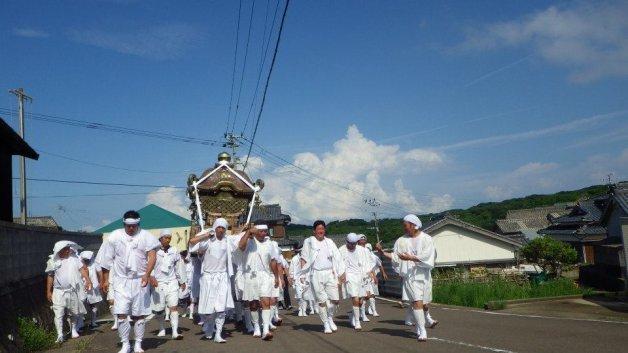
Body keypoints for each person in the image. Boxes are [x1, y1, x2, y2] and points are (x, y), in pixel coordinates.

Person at [100, 210, 160, 353]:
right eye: (128, 226)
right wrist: (106, 280)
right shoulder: (115, 236)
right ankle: (125, 343)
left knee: (139, 314)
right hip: (121, 281)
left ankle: (138, 343)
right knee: (121, 313)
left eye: (134, 226)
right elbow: (106, 261)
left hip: (140, 280)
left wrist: (147, 274)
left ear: (138, 224)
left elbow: (152, 256)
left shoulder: (146, 236)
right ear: (124, 224)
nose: (131, 228)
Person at [375, 214, 436, 342]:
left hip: (424, 275)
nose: (404, 228)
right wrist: (381, 252)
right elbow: (396, 256)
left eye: (406, 226)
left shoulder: (427, 239)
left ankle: (423, 324)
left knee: (424, 303)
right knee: (416, 302)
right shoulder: (401, 240)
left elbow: (428, 255)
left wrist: (411, 258)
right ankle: (422, 330)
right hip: (410, 276)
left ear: (414, 225)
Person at [189, 218, 235, 343]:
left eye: (223, 228)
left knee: (221, 308)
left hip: (222, 277)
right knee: (208, 309)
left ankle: (218, 334)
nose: (220, 230)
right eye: (218, 227)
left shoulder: (227, 241)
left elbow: (239, 241)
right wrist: (206, 235)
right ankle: (209, 326)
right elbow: (192, 242)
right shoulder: (207, 241)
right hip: (208, 278)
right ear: (214, 228)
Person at [299, 220, 346, 334]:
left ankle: (330, 318)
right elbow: (304, 258)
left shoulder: (329, 242)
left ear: (325, 230)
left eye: (322, 229)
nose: (321, 231)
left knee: (335, 300)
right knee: (322, 301)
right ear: (314, 231)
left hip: (330, 273)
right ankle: (326, 323)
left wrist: (342, 273)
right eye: (318, 229)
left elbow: (338, 257)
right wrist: (302, 275)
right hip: (316, 274)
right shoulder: (309, 241)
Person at [238, 224, 281, 341]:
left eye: (265, 231)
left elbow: (273, 261)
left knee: (265, 301)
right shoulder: (249, 241)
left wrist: (276, 277)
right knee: (253, 304)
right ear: (256, 232)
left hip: (265, 276)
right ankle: (256, 326)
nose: (263, 234)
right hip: (250, 276)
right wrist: (247, 233)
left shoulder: (270, 244)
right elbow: (240, 247)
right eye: (260, 231)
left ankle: (266, 330)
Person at [46, 241, 92, 343]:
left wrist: (88, 280)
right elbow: (50, 276)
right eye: (66, 249)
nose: (68, 250)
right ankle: (60, 334)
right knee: (59, 313)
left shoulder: (74, 259)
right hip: (58, 291)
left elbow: (82, 270)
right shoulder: (52, 261)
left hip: (72, 290)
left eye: (68, 249)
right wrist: (49, 291)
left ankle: (74, 329)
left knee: (74, 312)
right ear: (59, 251)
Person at [151, 230, 186, 340]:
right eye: (165, 237)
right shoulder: (154, 251)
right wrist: (151, 277)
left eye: (169, 238)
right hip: (158, 283)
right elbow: (149, 265)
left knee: (174, 307)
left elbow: (179, 266)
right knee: (159, 309)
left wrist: (182, 281)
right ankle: (162, 328)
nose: (167, 239)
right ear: (160, 238)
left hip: (172, 282)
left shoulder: (174, 250)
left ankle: (175, 332)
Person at [339, 233, 376, 331]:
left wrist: (370, 273)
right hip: (349, 277)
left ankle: (352, 314)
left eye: (354, 243)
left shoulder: (362, 250)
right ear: (347, 242)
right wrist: (340, 275)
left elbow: (371, 261)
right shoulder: (341, 250)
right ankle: (357, 322)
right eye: (350, 243)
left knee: (361, 301)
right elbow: (337, 263)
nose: (352, 245)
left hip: (361, 277)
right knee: (355, 298)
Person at [80, 250, 103, 329]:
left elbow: (100, 273)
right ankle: (80, 324)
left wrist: (101, 282)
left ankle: (93, 321)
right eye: (85, 259)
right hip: (82, 287)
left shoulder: (95, 263)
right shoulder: (79, 263)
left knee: (94, 305)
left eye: (88, 259)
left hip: (93, 287)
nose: (87, 261)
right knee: (81, 305)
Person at [288, 245, 308, 316]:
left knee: (305, 296)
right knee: (299, 296)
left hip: (306, 279)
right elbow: (291, 269)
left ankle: (304, 310)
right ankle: (300, 309)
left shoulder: (307, 258)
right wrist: (291, 278)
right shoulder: (294, 258)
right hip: (297, 280)